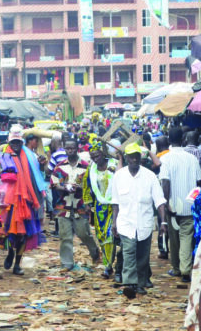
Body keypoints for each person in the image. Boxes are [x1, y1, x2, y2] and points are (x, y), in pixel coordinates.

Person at [112, 143, 167, 299]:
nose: (134, 159)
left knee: (142, 255)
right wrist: (114, 223)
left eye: (137, 156)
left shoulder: (150, 176)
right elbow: (115, 202)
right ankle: (130, 283)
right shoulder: (119, 176)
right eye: (131, 156)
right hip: (125, 223)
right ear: (127, 158)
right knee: (129, 251)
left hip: (144, 223)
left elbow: (160, 201)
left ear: (141, 157)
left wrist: (163, 222)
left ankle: (141, 284)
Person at [0, 125, 43, 276]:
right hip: (9, 202)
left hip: (26, 199)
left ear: (22, 142)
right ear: (9, 142)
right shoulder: (4, 154)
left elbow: (35, 176)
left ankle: (17, 264)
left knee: (24, 234)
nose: (16, 145)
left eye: (18, 143)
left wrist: (41, 165)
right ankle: (10, 252)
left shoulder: (29, 156)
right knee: (10, 232)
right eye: (13, 143)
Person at [51, 139, 100, 271]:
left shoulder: (86, 166)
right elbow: (54, 184)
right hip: (63, 205)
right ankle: (67, 263)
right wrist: (64, 187)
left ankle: (95, 253)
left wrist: (80, 187)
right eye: (67, 148)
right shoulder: (60, 166)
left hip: (81, 205)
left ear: (77, 148)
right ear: (64, 149)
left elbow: (91, 185)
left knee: (83, 233)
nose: (70, 150)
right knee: (65, 235)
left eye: (72, 148)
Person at [160, 127, 201, 282]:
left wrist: (165, 204)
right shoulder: (192, 159)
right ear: (183, 140)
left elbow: (165, 183)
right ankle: (182, 268)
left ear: (169, 140)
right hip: (190, 205)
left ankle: (179, 269)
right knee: (186, 237)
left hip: (173, 205)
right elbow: (199, 183)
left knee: (175, 238)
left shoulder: (166, 159)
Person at [83, 141, 120, 279]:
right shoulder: (91, 169)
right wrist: (87, 202)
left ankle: (109, 266)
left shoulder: (114, 164)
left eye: (97, 155)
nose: (95, 159)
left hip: (114, 206)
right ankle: (108, 263)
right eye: (92, 156)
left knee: (110, 235)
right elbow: (86, 185)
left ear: (103, 153)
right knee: (101, 236)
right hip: (99, 208)